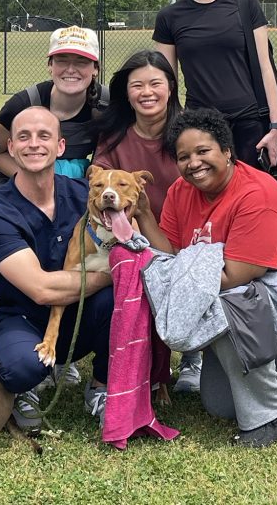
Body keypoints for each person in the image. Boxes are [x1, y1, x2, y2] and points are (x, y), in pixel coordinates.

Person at [135, 108, 277, 447]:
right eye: (183, 157)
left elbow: (238, 276)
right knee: (219, 405)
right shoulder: (181, 192)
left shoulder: (257, 194)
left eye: (203, 151)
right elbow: (169, 253)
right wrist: (143, 215)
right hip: (229, 287)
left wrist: (180, 280)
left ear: (227, 151)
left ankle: (268, 416)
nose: (193, 163)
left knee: (227, 310)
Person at [0, 106, 114, 430]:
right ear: (10, 148)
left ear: (60, 146)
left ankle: (102, 386)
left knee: (118, 304)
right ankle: (29, 386)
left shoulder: (84, 193)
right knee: (20, 368)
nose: (34, 144)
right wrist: (109, 275)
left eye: (44, 136)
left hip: (82, 313)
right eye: (23, 137)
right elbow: (41, 290)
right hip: (26, 316)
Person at [90, 49, 201, 393]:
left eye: (156, 83)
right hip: (134, 234)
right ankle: (139, 367)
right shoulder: (113, 137)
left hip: (187, 233)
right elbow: (100, 190)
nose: (147, 92)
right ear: (126, 92)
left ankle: (194, 357)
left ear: (171, 87)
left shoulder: (190, 133)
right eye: (137, 85)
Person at [153, 0, 277, 180]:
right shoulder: (170, 17)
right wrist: (178, 128)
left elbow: (265, 67)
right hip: (201, 129)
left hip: (250, 126)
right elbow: (166, 83)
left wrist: (276, 127)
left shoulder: (245, 5)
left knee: (251, 204)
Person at [0, 25, 108, 186]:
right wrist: (35, 182)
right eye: (62, 61)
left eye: (81, 62)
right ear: (50, 66)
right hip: (19, 178)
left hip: (72, 179)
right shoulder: (25, 104)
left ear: (95, 69)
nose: (71, 69)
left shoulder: (107, 103)